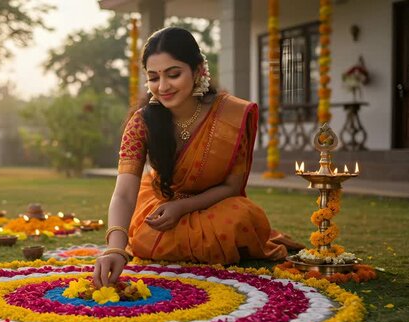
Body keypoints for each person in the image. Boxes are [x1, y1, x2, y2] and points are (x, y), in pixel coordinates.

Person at [93, 27, 303, 288]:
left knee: (241, 219)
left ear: (198, 70)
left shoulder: (230, 115)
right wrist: (115, 249)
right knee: (148, 236)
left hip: (215, 205)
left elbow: (233, 187)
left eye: (173, 74)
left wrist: (183, 207)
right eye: (154, 77)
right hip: (162, 201)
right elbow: (124, 193)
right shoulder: (142, 122)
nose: (163, 86)